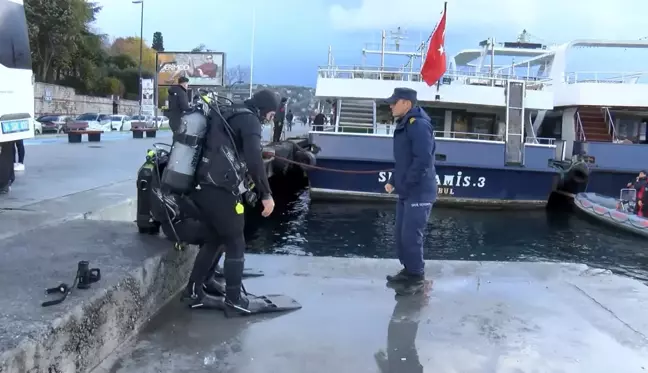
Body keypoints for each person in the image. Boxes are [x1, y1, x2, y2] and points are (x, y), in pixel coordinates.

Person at [185, 89, 277, 313]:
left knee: (216, 237)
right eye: (272, 114)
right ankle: (235, 301)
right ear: (266, 109)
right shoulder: (251, 120)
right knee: (236, 240)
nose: (270, 119)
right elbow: (254, 161)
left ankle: (198, 290)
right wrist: (266, 194)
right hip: (219, 188)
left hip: (202, 184)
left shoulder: (230, 111)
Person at [383, 87, 436, 295]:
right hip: (407, 189)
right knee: (401, 235)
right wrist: (394, 180)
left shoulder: (418, 125)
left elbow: (423, 159)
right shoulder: (406, 124)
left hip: (419, 190)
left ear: (406, 103)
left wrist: (407, 183)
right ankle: (408, 270)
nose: (390, 105)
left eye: (394, 102)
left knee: (411, 235)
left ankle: (417, 277)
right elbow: (404, 160)